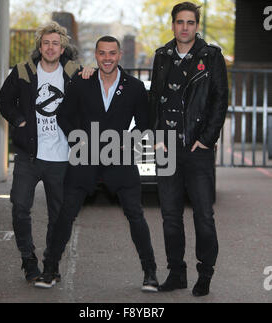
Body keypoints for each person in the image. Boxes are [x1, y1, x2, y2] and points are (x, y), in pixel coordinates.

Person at [35, 36, 158, 291]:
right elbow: (63, 116)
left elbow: (145, 125)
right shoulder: (82, 81)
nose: (107, 58)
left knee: (135, 215)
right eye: (102, 53)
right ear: (96, 55)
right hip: (85, 157)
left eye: (112, 53)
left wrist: (129, 142)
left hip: (119, 157)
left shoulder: (134, 87)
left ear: (120, 55)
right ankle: (49, 270)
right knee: (65, 214)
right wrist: (77, 141)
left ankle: (150, 274)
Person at [0, 21, 94, 283]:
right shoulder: (23, 71)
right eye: (46, 43)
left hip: (62, 157)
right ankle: (28, 260)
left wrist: (90, 72)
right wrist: (19, 121)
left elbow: (94, 97)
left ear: (63, 48)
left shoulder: (74, 72)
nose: (50, 48)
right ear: (40, 47)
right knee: (19, 206)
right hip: (29, 155)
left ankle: (51, 264)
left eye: (56, 43)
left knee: (59, 216)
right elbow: (4, 100)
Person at [149, 2, 228, 296]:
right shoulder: (161, 56)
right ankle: (176, 273)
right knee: (170, 214)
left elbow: (220, 101)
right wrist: (156, 135)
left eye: (190, 22)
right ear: (173, 25)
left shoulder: (211, 57)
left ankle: (204, 273)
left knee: (203, 215)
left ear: (196, 25)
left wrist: (206, 139)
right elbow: (154, 98)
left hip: (198, 148)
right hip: (166, 148)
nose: (185, 27)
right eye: (180, 22)